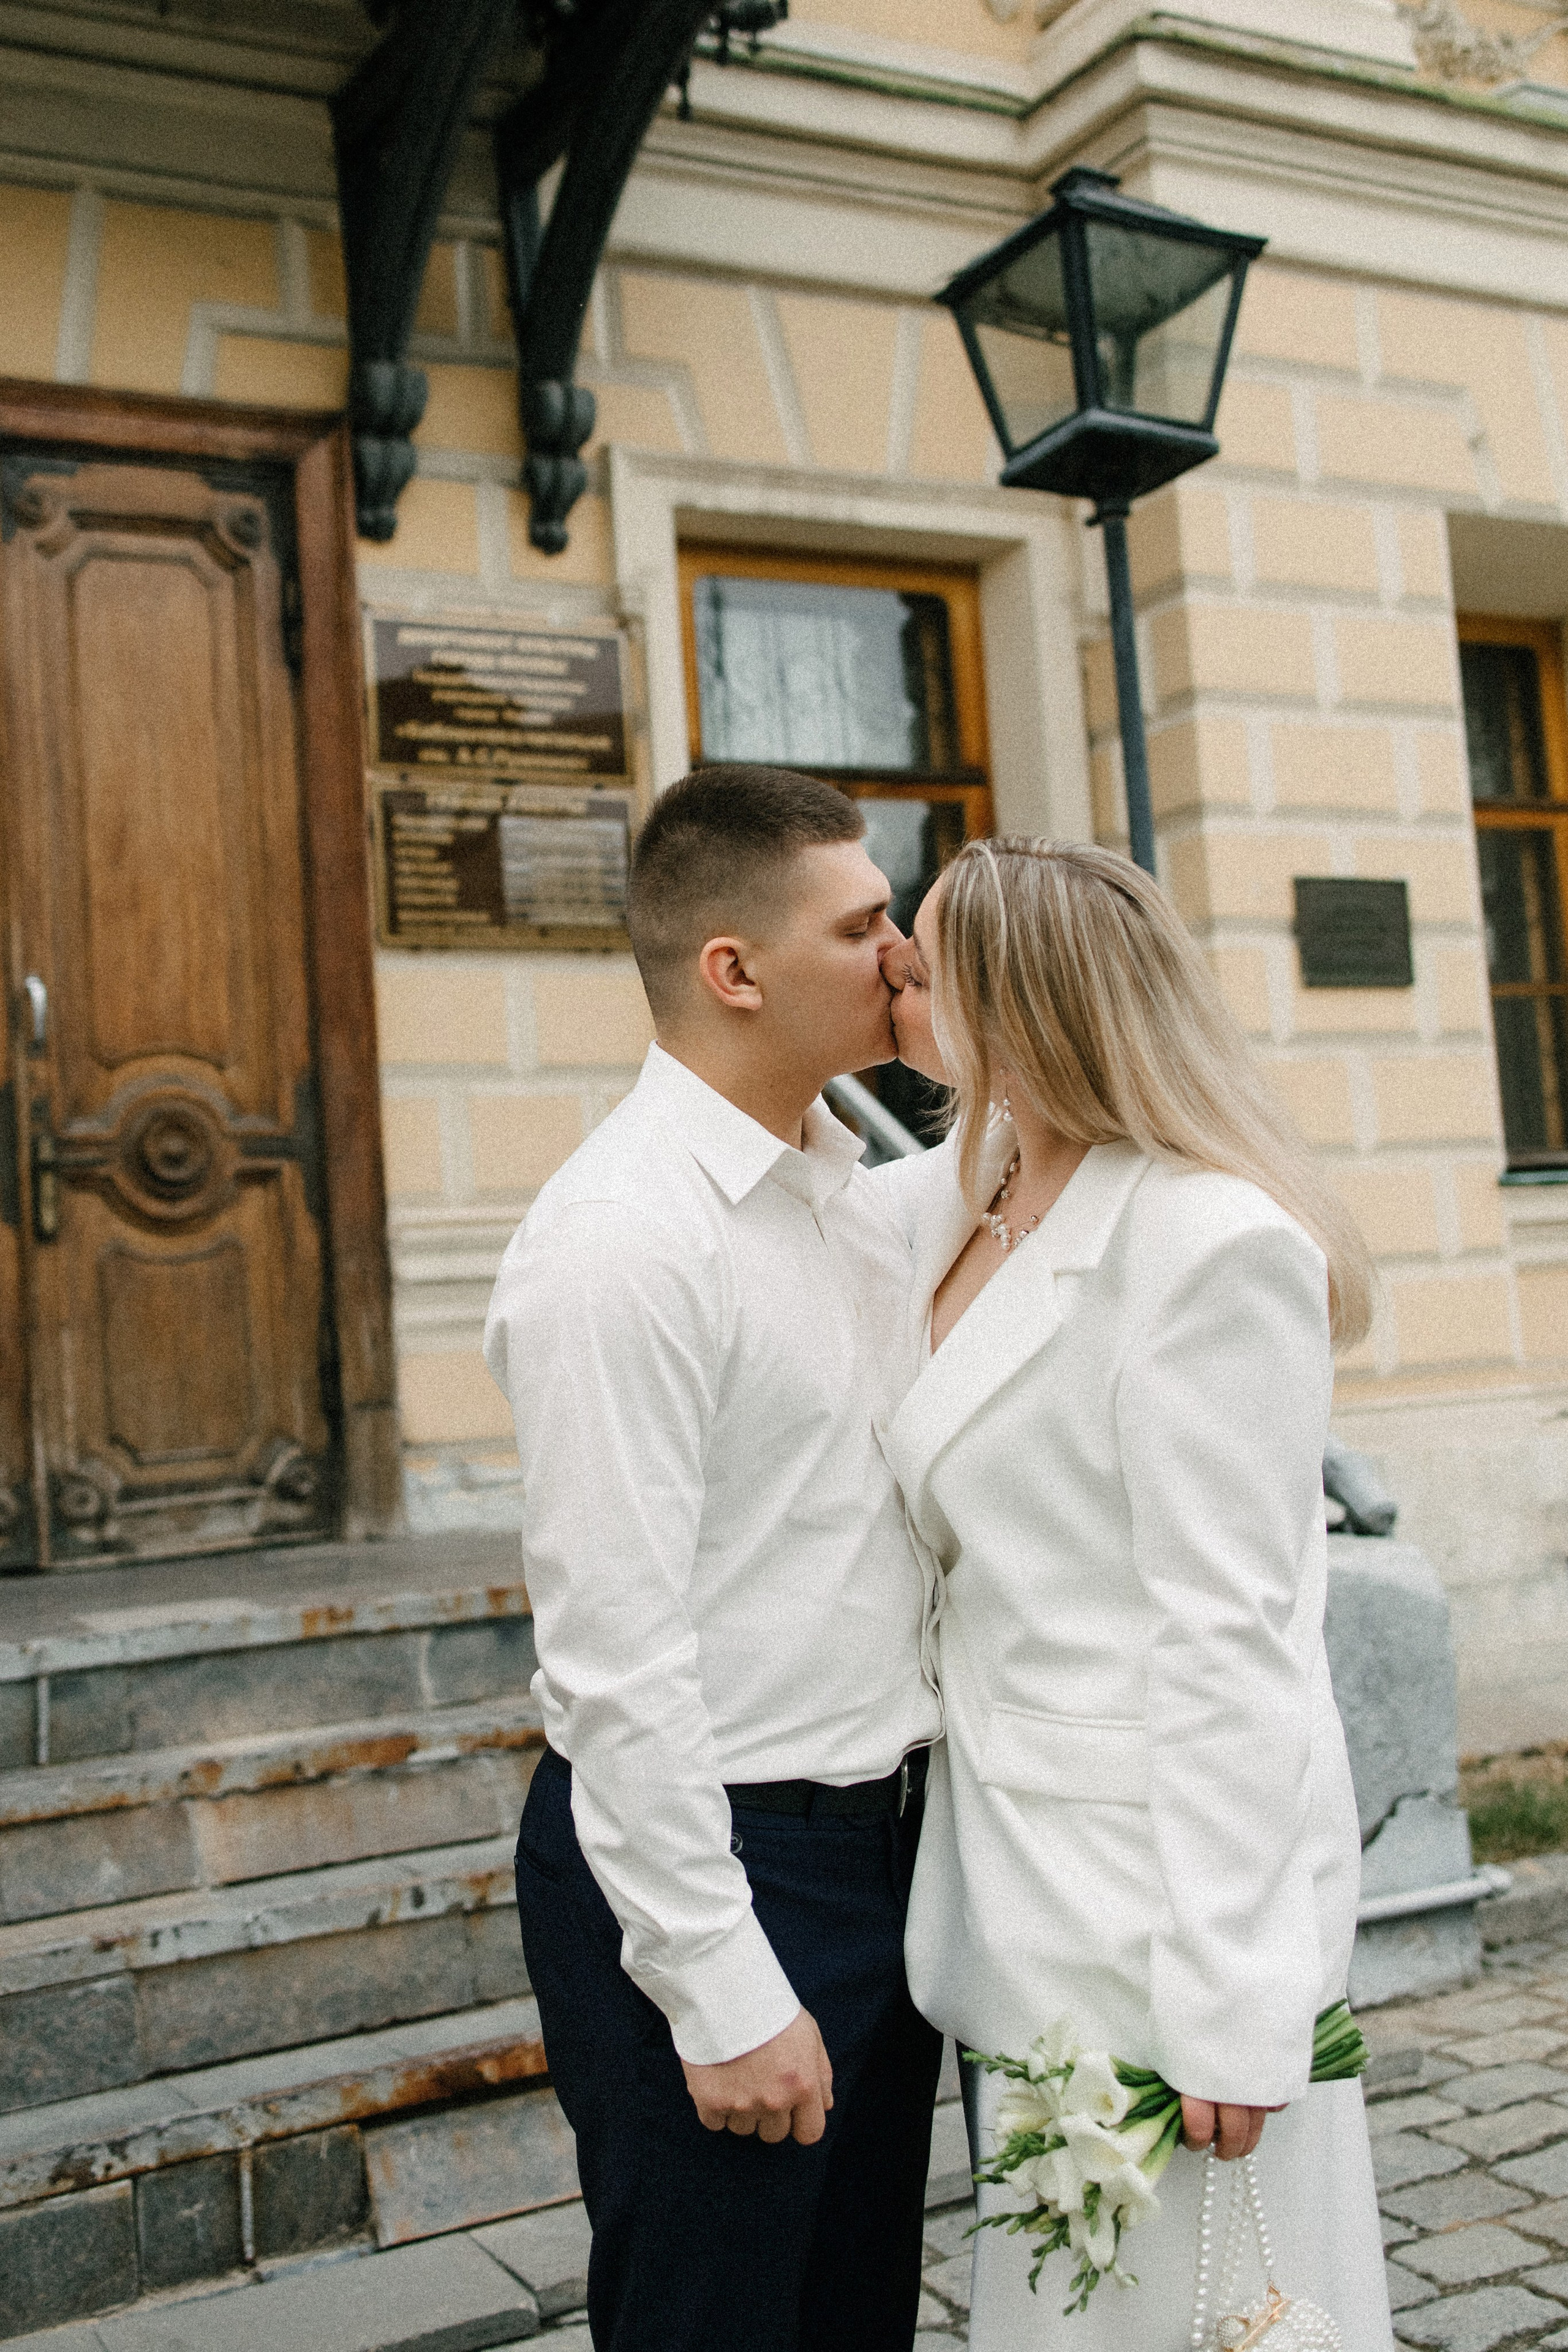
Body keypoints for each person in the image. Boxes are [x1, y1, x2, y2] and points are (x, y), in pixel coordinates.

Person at [878, 839, 1394, 2351]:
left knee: (1200, 2315)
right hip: (1011, 1887)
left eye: (920, 961)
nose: (895, 982)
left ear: (1016, 1001)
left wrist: (1237, 2002)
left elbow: (1234, 1641)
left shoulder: (1204, 1245)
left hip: (1162, 1917)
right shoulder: (960, 1196)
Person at [483, 766, 947, 2352]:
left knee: (853, 2321)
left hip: (886, 1854)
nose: (904, 956)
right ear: (732, 972)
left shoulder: (859, 1198)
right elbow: (612, 1661)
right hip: (714, 1863)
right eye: (870, 925)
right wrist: (722, 1983)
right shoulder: (619, 1242)